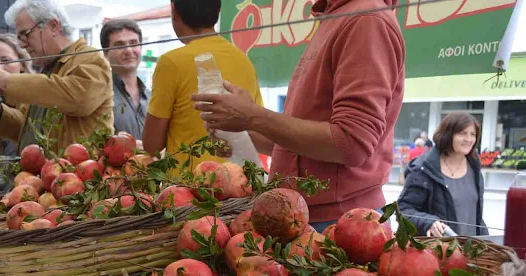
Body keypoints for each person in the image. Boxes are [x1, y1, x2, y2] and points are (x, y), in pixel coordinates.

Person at [192, 0, 405, 231]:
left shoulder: (366, 19)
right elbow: (299, 147)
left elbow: (350, 143)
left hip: (341, 224)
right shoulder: (336, 18)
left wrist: (252, 116)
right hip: (302, 216)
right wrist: (241, 132)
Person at [0, 0, 114, 152]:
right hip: (43, 173)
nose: (22, 44)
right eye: (19, 37)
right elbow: (28, 131)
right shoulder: (46, 69)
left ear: (53, 26)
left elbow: (78, 99)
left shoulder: (90, 59)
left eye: (25, 34)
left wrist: (8, 82)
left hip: (77, 174)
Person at [143, 0, 263, 165]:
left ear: (174, 10)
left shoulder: (171, 62)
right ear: (217, 11)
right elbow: (259, 128)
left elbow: (152, 146)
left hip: (190, 185)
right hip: (239, 181)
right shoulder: (243, 60)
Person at [399, 112, 488, 237]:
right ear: (448, 134)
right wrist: (428, 222)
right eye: (462, 133)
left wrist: (487, 241)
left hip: (471, 250)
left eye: (473, 134)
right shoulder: (423, 169)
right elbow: (404, 210)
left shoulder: (474, 167)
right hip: (437, 251)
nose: (469, 139)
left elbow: (475, 215)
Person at [101, 19, 149, 140]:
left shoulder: (153, 97)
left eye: (133, 43)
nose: (128, 50)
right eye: (120, 45)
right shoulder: (99, 95)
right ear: (106, 53)